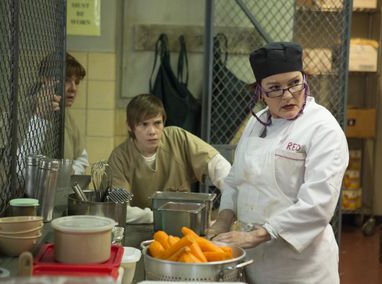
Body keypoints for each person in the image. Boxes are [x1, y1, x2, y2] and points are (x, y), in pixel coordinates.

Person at [207, 42, 349, 284]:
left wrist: (259, 235)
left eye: (295, 83)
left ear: (304, 79)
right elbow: (236, 179)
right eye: (274, 88)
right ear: (260, 93)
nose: (287, 95)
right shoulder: (256, 123)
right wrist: (223, 219)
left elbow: (318, 204)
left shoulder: (323, 128)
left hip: (302, 268)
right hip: (254, 262)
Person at [108, 93, 231, 223]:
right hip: (139, 227)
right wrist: (157, 216)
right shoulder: (119, 158)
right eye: (144, 124)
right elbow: (119, 209)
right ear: (130, 126)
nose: (152, 131)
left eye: (157, 123)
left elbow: (217, 164)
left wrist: (231, 202)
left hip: (182, 224)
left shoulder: (177, 138)